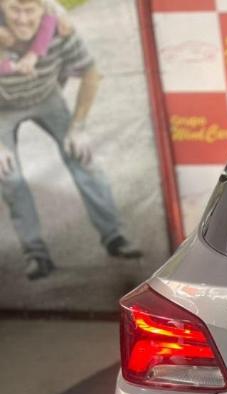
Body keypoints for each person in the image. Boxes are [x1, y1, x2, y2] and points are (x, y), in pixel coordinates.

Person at [0, 0, 141, 280]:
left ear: (44, 10)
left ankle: (114, 236)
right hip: (3, 108)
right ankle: (35, 253)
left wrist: (78, 127)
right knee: (8, 174)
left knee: (82, 157)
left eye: (30, 11)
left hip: (46, 98)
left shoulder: (58, 27)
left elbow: (90, 73)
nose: (22, 19)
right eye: (15, 10)